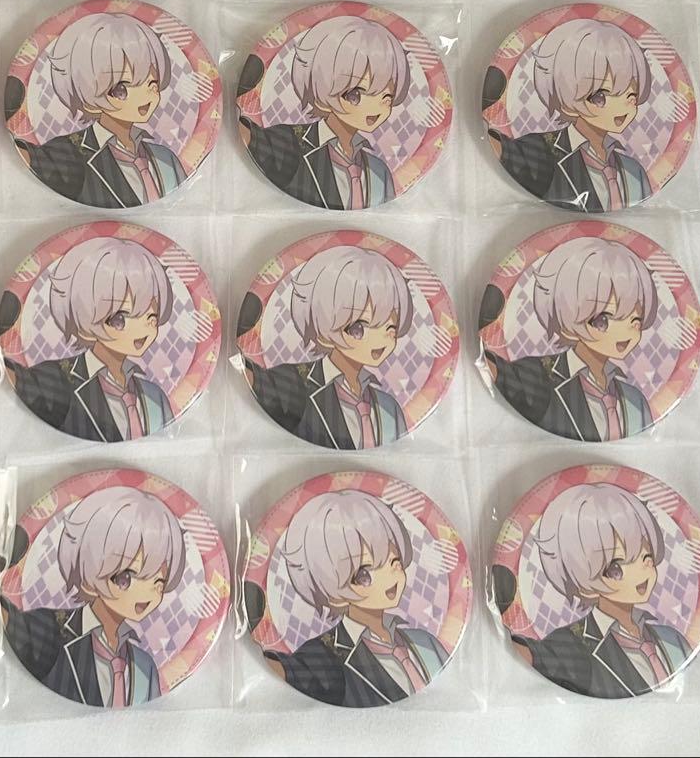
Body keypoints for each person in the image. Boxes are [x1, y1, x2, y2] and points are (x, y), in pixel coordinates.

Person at [260, 489, 447, 706]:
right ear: (332, 593)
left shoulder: (425, 642)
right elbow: (293, 672)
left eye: (394, 562)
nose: (390, 577)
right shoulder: (322, 657)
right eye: (364, 574)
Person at [2, 486, 185, 706]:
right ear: (89, 578)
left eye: (158, 583)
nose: (147, 593)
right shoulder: (49, 630)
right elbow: (5, 619)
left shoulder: (145, 665)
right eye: (128, 577)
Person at [513, 482, 691, 698]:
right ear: (583, 583)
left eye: (646, 557)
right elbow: (534, 655)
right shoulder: (568, 646)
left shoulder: (672, 639)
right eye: (616, 568)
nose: (641, 572)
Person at [484, 236, 657, 441]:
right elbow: (495, 371)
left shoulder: (635, 400)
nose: (624, 333)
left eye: (635, 320)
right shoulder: (538, 377)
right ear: (567, 324)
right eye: (604, 320)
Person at [2, 237, 175, 441]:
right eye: (120, 318)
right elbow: (18, 379)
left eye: (151, 317)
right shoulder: (56, 380)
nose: (142, 329)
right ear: (84, 323)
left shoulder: (155, 396)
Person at [243, 245, 411, 448]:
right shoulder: (293, 383)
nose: (379, 340)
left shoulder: (390, 407)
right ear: (323, 333)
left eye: (390, 328)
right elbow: (254, 378)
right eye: (359, 328)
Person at [12, 13, 184, 206]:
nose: (144, 96)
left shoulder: (166, 158)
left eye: (152, 84)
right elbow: (33, 158)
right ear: (87, 95)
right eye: (122, 88)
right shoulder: (69, 154)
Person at [240, 16, 411, 209]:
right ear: (321, 93)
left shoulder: (379, 171)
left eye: (386, 97)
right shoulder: (287, 143)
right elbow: (250, 137)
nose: (375, 108)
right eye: (356, 94)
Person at [487, 18, 653, 211]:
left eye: (631, 96)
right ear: (566, 101)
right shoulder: (541, 151)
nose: (621, 108)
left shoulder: (634, 170)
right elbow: (505, 150)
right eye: (600, 96)